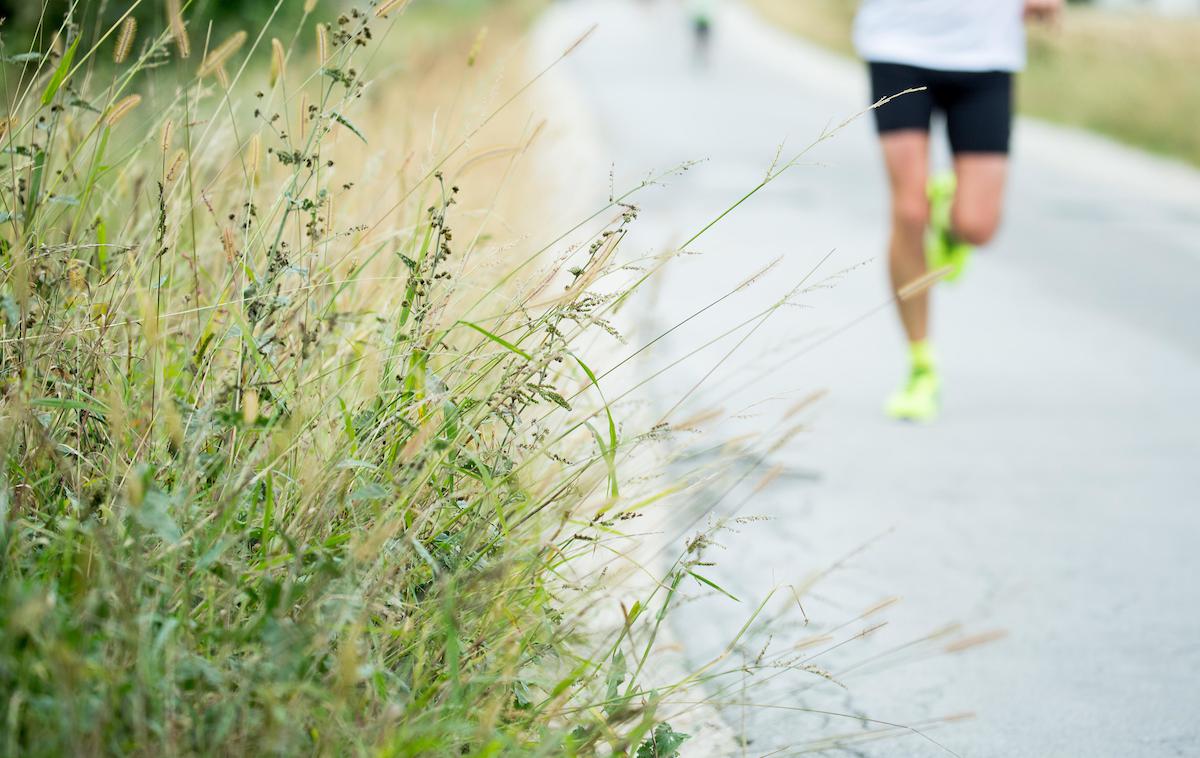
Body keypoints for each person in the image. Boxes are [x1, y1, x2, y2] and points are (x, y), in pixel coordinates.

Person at [854, 0, 1062, 421]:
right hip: (897, 44)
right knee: (910, 211)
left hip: (986, 54)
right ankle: (921, 363)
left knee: (978, 227)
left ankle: (950, 221)